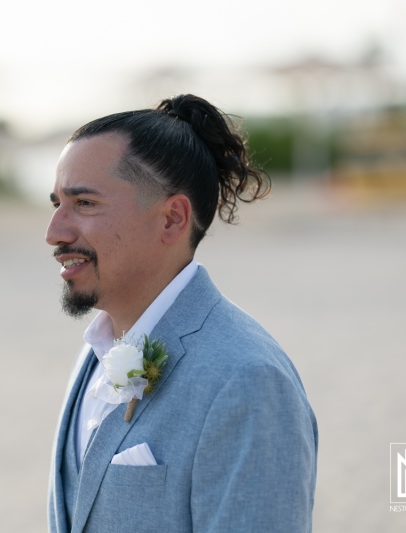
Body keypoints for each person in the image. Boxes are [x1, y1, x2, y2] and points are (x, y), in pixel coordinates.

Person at [46, 94, 318, 533]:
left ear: (172, 219)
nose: (54, 232)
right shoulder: (96, 352)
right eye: (56, 203)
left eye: (84, 204)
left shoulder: (247, 380)